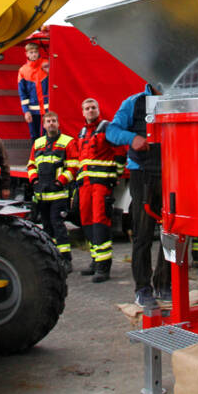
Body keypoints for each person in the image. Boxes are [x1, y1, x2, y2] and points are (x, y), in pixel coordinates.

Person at [107, 83, 169, 307]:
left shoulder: (177, 100)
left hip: (172, 172)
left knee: (172, 233)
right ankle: (143, 289)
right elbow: (112, 131)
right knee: (143, 233)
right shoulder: (133, 103)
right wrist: (132, 138)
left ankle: (165, 285)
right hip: (142, 173)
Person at [72, 98, 126, 283]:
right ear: (82, 112)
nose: (90, 110)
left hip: (101, 185)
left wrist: (116, 176)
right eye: (87, 108)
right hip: (85, 185)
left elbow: (120, 152)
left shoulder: (106, 128)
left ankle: (104, 267)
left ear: (98, 109)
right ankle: (95, 260)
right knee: (87, 221)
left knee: (100, 221)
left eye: (93, 107)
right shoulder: (82, 132)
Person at [27, 111, 75, 271]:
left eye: (54, 120)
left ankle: (65, 260)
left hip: (59, 194)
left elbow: (74, 166)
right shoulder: (38, 143)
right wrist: (34, 180)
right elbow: (31, 165)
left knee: (58, 225)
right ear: (44, 125)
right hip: (42, 194)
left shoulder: (67, 142)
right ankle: (50, 259)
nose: (51, 123)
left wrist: (61, 181)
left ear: (58, 123)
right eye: (48, 121)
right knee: (46, 228)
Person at [17, 40, 49, 141]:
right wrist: (26, 111)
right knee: (34, 136)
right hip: (33, 111)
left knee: (48, 136)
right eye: (31, 52)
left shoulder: (46, 64)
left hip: (48, 110)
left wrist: (50, 71)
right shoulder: (23, 70)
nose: (34, 54)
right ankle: (35, 152)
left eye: (35, 52)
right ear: (26, 54)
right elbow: (23, 94)